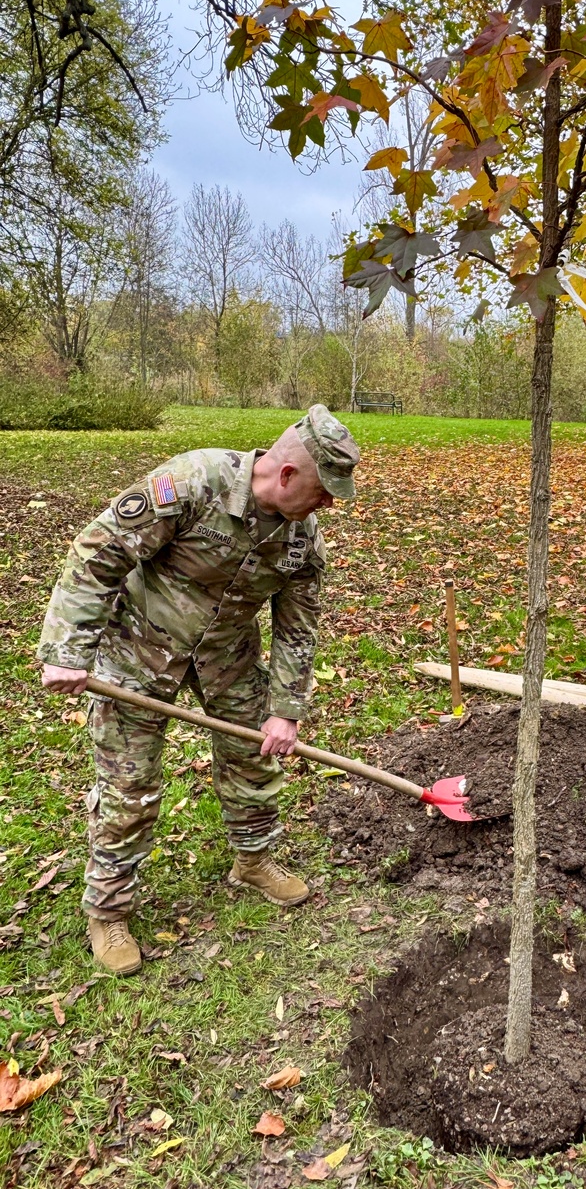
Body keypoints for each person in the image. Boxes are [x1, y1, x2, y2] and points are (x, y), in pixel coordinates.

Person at [38, 405, 360, 974]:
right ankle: (108, 911)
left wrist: (286, 710)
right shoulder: (194, 482)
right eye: (323, 490)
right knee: (130, 784)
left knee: (254, 760)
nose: (329, 503)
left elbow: (297, 624)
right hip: (139, 649)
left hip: (227, 657)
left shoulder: (300, 536)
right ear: (286, 475)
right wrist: (67, 651)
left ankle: (253, 861)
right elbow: (98, 555)